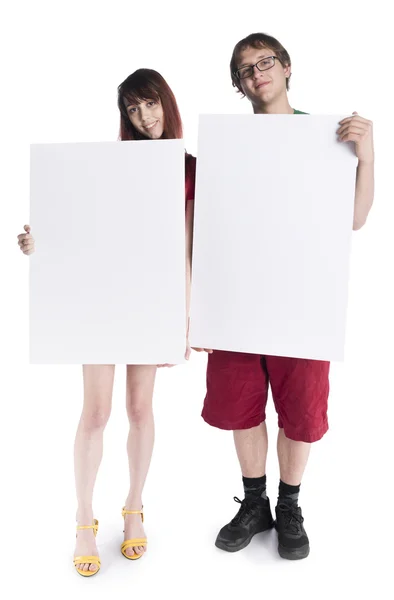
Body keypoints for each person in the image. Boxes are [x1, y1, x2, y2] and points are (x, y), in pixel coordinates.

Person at [197, 32, 374, 560]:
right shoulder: (230, 145)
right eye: (245, 71)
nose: (257, 74)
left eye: (265, 62)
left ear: (287, 67)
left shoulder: (324, 137)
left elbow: (355, 218)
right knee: (241, 406)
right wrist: (202, 305)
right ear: (239, 85)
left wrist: (366, 155)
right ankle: (255, 504)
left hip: (303, 298)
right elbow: (210, 226)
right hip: (238, 298)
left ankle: (289, 504)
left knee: (300, 411)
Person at [17, 68, 196, 576]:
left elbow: (187, 243)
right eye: (134, 109)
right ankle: (83, 518)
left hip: (152, 297)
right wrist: (41, 243)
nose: (145, 117)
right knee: (95, 412)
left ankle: (134, 507)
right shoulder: (107, 164)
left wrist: (181, 312)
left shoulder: (187, 169)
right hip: (100, 297)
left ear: (167, 102)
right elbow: (81, 227)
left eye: (150, 104)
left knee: (140, 408)